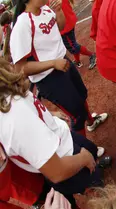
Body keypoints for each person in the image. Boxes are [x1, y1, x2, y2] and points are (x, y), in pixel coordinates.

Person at [0, 58, 111, 209]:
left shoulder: (8, 99)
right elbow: (57, 172)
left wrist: (49, 114)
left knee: (91, 152)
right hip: (63, 158)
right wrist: (83, 159)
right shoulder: (14, 118)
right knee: (97, 194)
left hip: (60, 140)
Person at [10, 0, 107, 136]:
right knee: (76, 115)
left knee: (81, 95)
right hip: (48, 77)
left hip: (62, 62)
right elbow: (20, 68)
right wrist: (53, 63)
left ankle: (91, 122)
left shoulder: (45, 9)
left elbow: (60, 27)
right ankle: (87, 153)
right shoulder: (22, 24)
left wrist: (59, 11)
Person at [60, 0, 97, 69]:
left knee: (72, 46)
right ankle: (77, 61)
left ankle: (92, 55)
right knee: (72, 44)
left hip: (65, 26)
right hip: (68, 20)